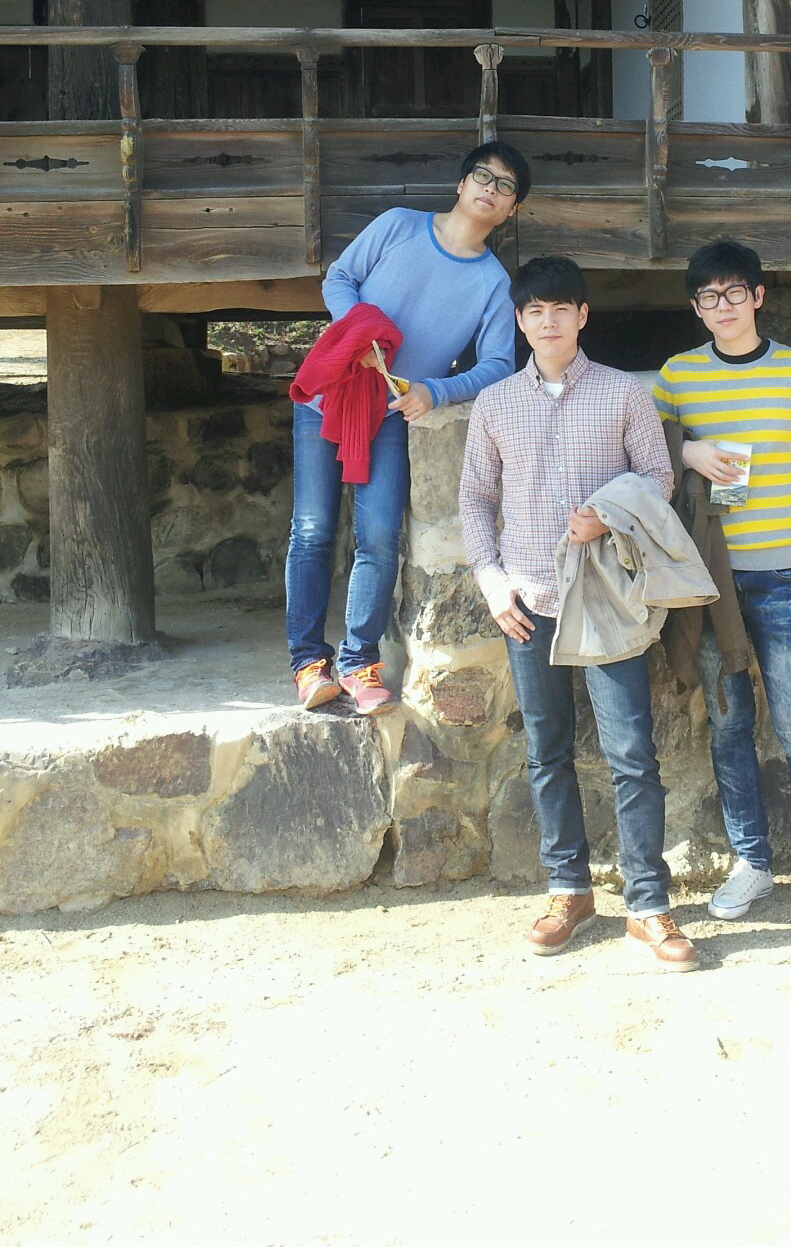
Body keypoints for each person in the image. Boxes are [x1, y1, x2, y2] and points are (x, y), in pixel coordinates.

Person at [460, 255, 700, 972]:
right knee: (547, 751)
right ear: (520, 320)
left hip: (606, 595)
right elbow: (475, 498)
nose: (549, 322)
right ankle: (568, 891)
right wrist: (492, 583)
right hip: (528, 600)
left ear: (582, 315)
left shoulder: (623, 392)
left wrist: (607, 515)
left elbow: (657, 475)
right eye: (535, 311)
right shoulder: (495, 403)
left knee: (631, 753)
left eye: (561, 309)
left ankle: (647, 904)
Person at [653, 238, 791, 940]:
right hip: (708, 581)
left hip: (779, 576)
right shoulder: (678, 375)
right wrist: (686, 449)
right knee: (729, 726)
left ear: (758, 296)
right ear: (696, 307)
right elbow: (643, 448)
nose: (723, 306)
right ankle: (752, 862)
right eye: (709, 297)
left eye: (734, 293)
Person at [287, 141, 529, 715]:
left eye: (505, 187)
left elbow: (499, 364)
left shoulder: (495, 283)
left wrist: (433, 391)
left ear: (512, 209)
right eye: (483, 177)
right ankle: (308, 663)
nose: (490, 190)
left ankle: (358, 663)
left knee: (378, 538)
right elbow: (340, 277)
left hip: (392, 412)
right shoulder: (398, 225)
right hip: (329, 395)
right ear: (461, 183)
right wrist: (360, 331)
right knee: (313, 530)